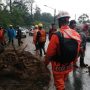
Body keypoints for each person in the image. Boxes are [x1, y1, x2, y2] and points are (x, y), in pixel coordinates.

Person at [45, 11, 81, 90]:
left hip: (58, 66)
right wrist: (74, 62)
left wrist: (45, 63)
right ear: (68, 20)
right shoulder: (76, 34)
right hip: (69, 65)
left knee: (59, 84)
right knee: (63, 80)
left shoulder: (57, 35)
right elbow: (77, 52)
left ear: (59, 21)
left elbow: (49, 53)